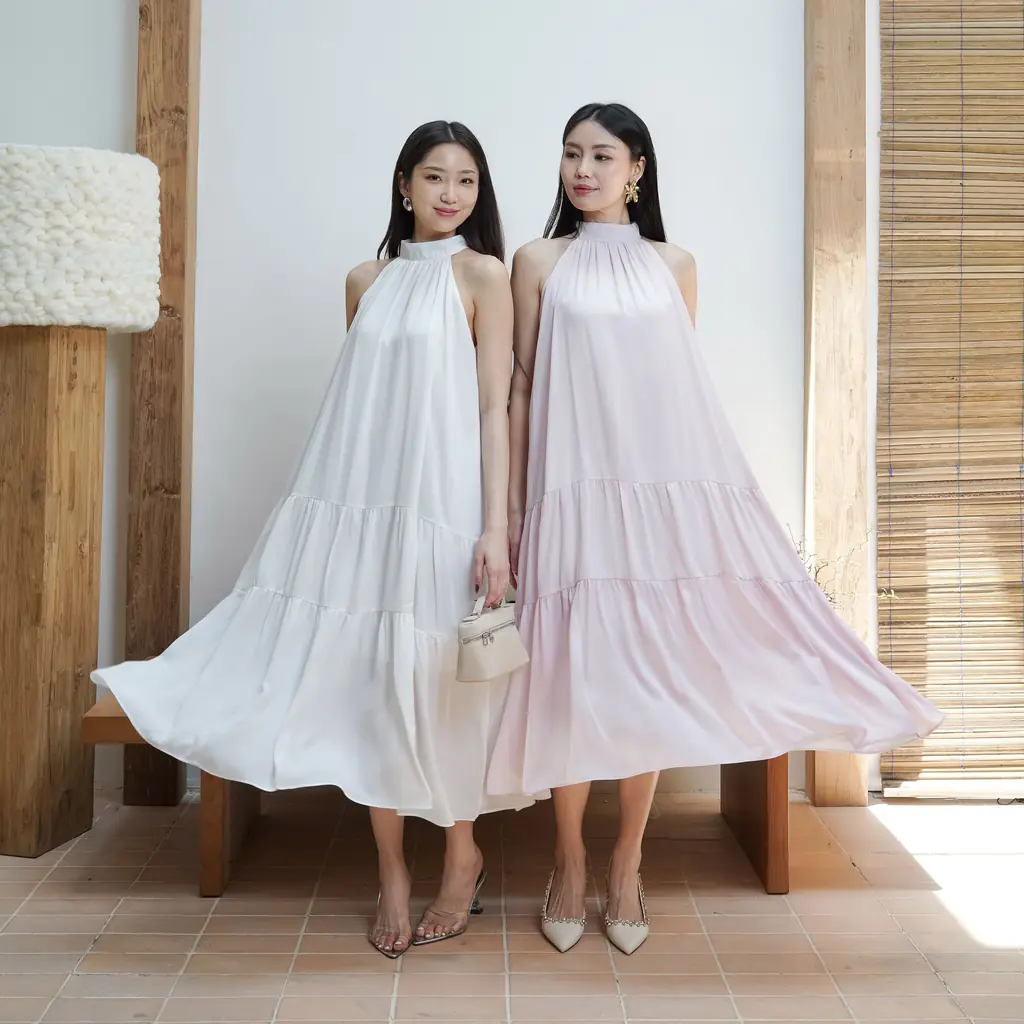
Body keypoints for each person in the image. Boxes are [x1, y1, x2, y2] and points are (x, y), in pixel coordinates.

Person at [485, 102, 944, 955]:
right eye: (572, 154)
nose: (583, 170)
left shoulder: (676, 265)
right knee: (569, 678)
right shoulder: (539, 261)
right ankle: (568, 861)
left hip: (656, 504)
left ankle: (627, 862)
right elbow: (521, 387)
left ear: (637, 169)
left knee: (646, 680)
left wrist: (706, 512)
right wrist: (509, 510)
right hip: (571, 495)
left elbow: (677, 391)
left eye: (602, 156)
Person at [93, 121, 537, 958]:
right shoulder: (365, 279)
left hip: (441, 499)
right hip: (361, 496)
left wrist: (493, 527)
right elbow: (359, 403)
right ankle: (392, 871)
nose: (450, 194)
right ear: (403, 184)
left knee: (443, 680)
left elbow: (490, 407)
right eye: (434, 176)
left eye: (466, 180)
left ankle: (462, 856)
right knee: (367, 681)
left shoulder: (483, 275)